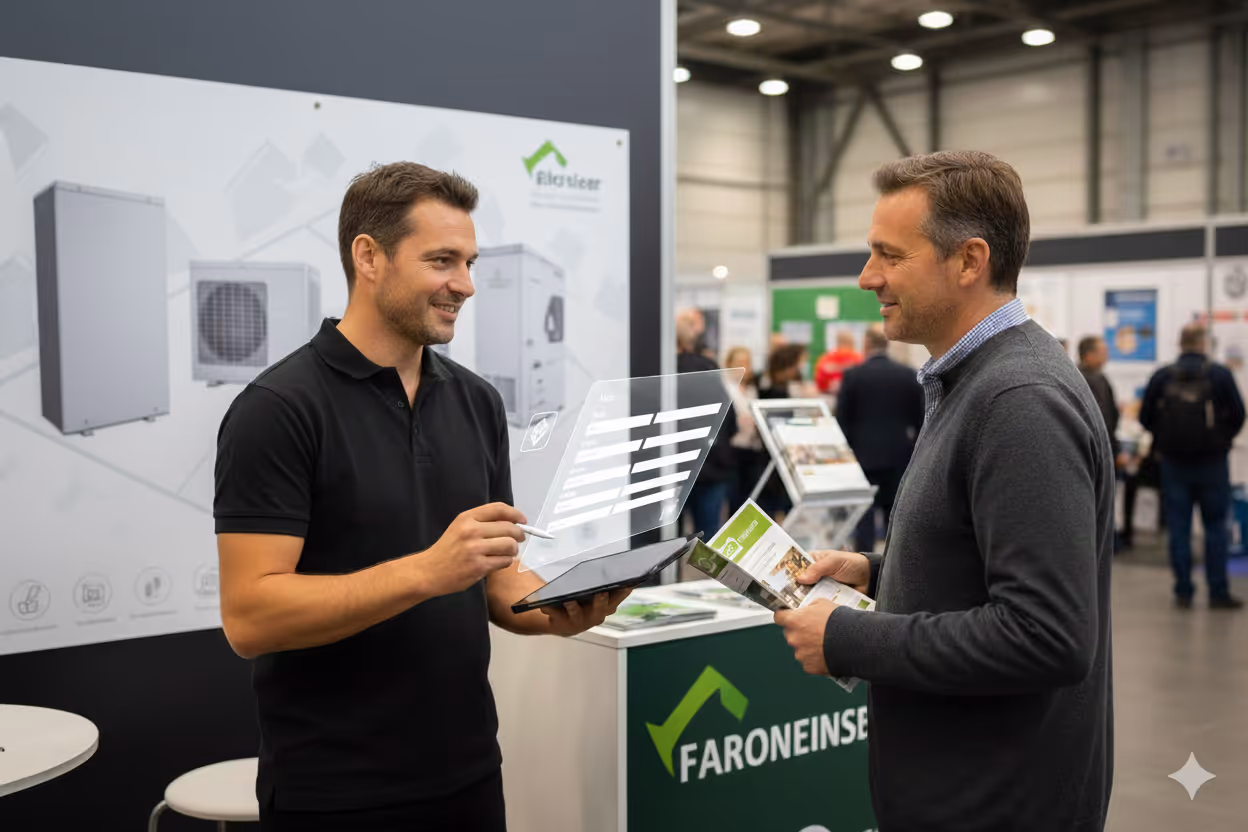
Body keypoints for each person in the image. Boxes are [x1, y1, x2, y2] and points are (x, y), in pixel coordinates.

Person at [214, 162, 628, 832]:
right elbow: (251, 617)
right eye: (442, 261)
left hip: (468, 775)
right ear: (368, 256)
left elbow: (495, 586)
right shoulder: (278, 409)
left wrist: (560, 610)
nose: (464, 284)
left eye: (468, 262)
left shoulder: (477, 401)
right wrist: (427, 571)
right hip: (334, 792)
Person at [774, 150, 1114, 832]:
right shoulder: (974, 382)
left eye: (889, 256)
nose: (867, 278)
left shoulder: (1018, 400)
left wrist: (848, 639)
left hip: (997, 801)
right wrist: (877, 572)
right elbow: (983, 559)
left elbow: (1047, 635)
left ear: (969, 261)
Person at [1139, 323, 1246, 609]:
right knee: (1215, 527)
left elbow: (1145, 417)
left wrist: (1164, 439)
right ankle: (1218, 591)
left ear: (1180, 343)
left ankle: (1183, 591)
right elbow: (1238, 414)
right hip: (1212, 463)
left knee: (1178, 528)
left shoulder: (1162, 376)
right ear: (1202, 344)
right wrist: (1221, 439)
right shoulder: (1219, 374)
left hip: (1174, 464)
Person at [835, 327, 924, 553]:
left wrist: (845, 455)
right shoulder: (907, 375)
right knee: (894, 513)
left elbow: (842, 419)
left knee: (863, 513)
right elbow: (921, 419)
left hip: (861, 456)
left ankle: (863, 562)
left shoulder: (853, 375)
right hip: (899, 455)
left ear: (865, 345)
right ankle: (893, 563)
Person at [676, 308, 737, 536]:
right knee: (710, 537)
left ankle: (673, 574)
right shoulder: (706, 367)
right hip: (710, 463)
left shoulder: (656, 370)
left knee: (668, 542)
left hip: (673, 469)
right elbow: (729, 417)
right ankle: (712, 573)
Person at [722, 346, 767, 514]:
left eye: (747, 363)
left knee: (749, 498)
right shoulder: (726, 388)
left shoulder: (752, 389)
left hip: (752, 448)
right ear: (729, 364)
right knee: (734, 497)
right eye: (740, 363)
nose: (745, 367)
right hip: (733, 449)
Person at [814, 330, 864, 395]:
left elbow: (819, 380)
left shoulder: (826, 358)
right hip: (852, 396)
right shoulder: (858, 358)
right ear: (851, 342)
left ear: (837, 342)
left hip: (827, 395)